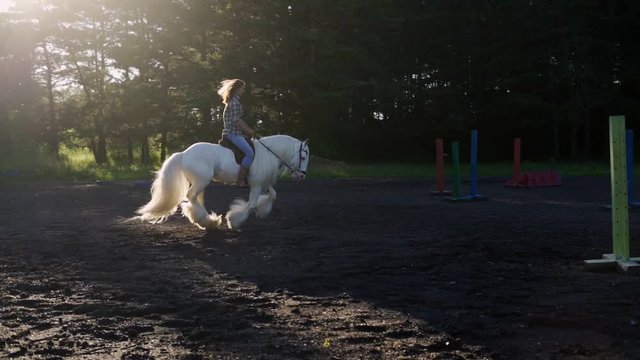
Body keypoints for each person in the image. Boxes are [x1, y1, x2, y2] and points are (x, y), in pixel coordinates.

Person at [217, 79, 259, 187]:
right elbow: (237, 122)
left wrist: (250, 131)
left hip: (235, 133)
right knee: (250, 153)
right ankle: (240, 179)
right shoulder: (235, 103)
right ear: (236, 89)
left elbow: (239, 121)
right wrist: (250, 131)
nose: (244, 90)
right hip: (232, 134)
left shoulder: (233, 101)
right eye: (242, 88)